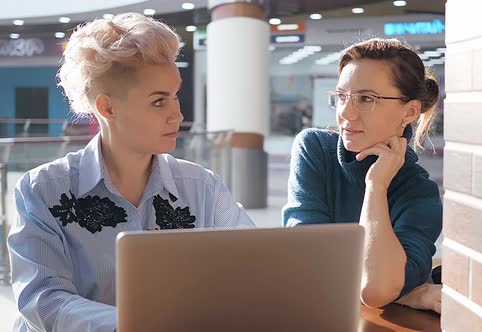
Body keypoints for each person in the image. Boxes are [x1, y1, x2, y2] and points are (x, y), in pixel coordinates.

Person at [8, 13, 253, 332]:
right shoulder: (42, 190)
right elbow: (43, 300)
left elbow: (251, 269)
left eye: (175, 96)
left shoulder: (201, 187)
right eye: (158, 102)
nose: (177, 115)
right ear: (107, 108)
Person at [282, 38, 442, 313]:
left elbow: (376, 289)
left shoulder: (420, 192)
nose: (346, 113)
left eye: (366, 99)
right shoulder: (315, 149)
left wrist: (376, 185)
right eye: (342, 97)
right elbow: (305, 262)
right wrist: (403, 293)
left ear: (410, 111)